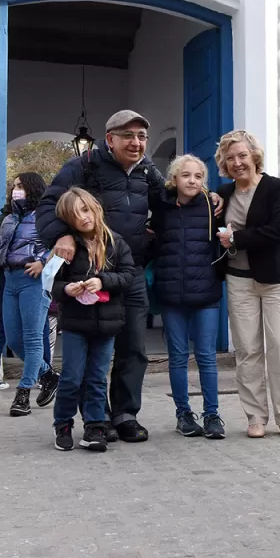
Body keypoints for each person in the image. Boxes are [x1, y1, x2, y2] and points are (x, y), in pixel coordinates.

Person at [36, 110, 222, 444]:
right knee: (94, 351)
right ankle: (98, 418)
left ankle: (125, 414)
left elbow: (169, 198)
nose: (136, 143)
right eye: (128, 136)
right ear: (110, 139)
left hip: (130, 270)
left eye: (141, 137)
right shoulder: (83, 166)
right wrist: (61, 236)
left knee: (134, 348)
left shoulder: (147, 171)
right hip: (89, 273)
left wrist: (208, 197)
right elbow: (49, 206)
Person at [214, 129, 280, 439]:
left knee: (278, 347)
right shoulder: (222, 194)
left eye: (242, 155)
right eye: (230, 158)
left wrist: (236, 238)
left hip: (276, 279)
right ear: (224, 163)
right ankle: (255, 416)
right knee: (248, 351)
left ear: (254, 156)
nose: (237, 162)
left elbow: (278, 230)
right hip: (239, 280)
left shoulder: (276, 187)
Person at [49, 187, 137, 452]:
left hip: (107, 324)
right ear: (69, 220)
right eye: (76, 215)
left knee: (98, 377)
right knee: (72, 378)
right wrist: (66, 290)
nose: (84, 218)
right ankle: (63, 424)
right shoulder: (67, 247)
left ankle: (95, 426)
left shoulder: (116, 243)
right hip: (76, 323)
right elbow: (53, 283)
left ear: (95, 208)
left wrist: (103, 281)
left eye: (86, 210)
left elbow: (128, 275)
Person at [150, 154, 227, 439]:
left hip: (206, 293)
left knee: (206, 356)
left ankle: (212, 414)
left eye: (198, 176)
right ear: (174, 178)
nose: (192, 180)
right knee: (178, 356)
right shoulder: (160, 205)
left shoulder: (212, 205)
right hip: (171, 293)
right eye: (186, 175)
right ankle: (183, 414)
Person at [0, 173, 56, 417]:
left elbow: (61, 247)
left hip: (33, 281)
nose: (15, 190)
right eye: (14, 186)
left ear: (32, 188)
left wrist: (43, 262)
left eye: (20, 186)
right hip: (9, 282)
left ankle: (23, 393)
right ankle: (49, 375)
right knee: (13, 340)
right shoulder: (8, 220)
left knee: (33, 339)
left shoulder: (46, 218)